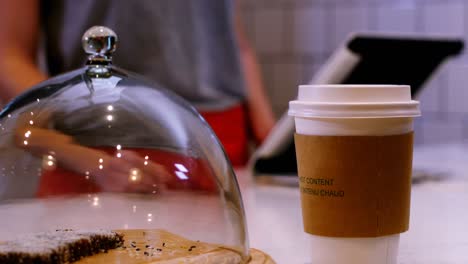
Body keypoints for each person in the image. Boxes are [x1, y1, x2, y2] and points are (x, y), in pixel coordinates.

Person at [0, 0, 275, 166]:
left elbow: (231, 35)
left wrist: (270, 140)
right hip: (95, 139)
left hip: (219, 138)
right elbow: (7, 54)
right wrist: (74, 151)